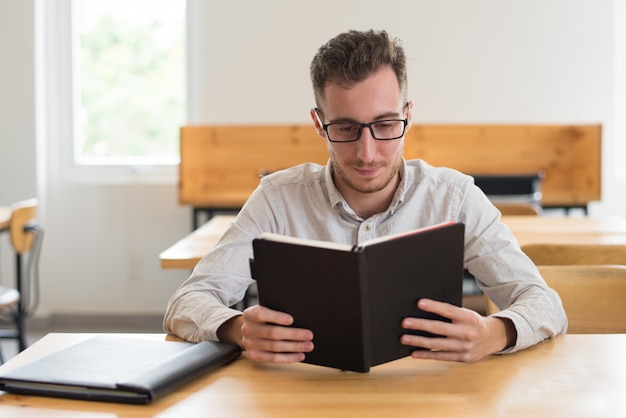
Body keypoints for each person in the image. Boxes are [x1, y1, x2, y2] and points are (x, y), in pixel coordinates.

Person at [164, 29, 567, 364]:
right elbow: (188, 302)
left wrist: (495, 332)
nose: (367, 153)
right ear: (319, 124)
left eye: (385, 124)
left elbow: (543, 302)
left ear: (408, 114)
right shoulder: (277, 199)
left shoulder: (455, 197)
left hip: (429, 398)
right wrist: (237, 328)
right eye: (344, 129)